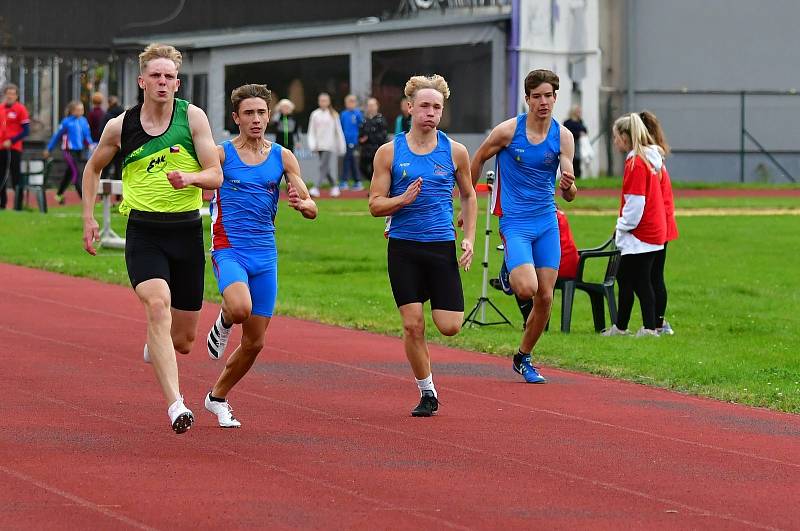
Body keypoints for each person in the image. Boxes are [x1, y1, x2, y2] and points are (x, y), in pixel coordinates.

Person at [80, 43, 223, 433]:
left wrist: (190, 178)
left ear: (178, 82)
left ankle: (156, 345)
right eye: (156, 76)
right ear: (142, 81)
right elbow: (92, 170)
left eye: (169, 76)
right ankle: (177, 405)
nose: (163, 82)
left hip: (186, 231)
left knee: (184, 340)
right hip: (144, 231)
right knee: (157, 304)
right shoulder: (120, 126)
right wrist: (89, 217)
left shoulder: (193, 118)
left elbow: (215, 174)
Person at [205, 84, 317, 428]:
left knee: (255, 343)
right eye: (249, 113)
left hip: (265, 255)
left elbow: (311, 205)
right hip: (229, 249)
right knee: (240, 308)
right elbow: (206, 179)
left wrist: (303, 204)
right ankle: (224, 320)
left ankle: (217, 398)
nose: (256, 119)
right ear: (235, 118)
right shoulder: (222, 154)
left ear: (269, 116)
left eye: (261, 113)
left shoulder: (282, 157)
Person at [369, 74, 477, 417]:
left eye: (437, 108)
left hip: (441, 246)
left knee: (450, 326)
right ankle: (427, 391)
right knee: (414, 325)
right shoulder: (389, 152)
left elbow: (469, 195)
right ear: (410, 107)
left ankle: (434, 302)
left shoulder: (455, 151)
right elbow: (374, 205)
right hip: (404, 248)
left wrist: (470, 237)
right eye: (425, 106)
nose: (430, 113)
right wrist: (402, 199)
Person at [469, 69, 577, 384]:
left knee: (545, 297)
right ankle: (511, 269)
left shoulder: (563, 136)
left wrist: (568, 184)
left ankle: (523, 357)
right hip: (515, 221)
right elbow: (478, 160)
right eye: (537, 96)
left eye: (549, 96)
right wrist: (468, 201)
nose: (543, 102)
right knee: (526, 288)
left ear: (556, 97)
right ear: (527, 99)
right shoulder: (507, 131)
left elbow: (569, 193)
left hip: (546, 221)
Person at [601, 112, 666, 337]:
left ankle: (649, 328)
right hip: (649, 231)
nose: (615, 141)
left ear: (626, 137)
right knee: (627, 278)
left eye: (616, 137)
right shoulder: (645, 160)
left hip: (641, 233)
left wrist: (622, 225)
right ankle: (621, 326)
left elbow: (635, 202)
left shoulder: (636, 163)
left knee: (640, 281)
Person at [491, 210, 579, 324]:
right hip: (571, 265)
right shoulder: (558, 215)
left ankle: (527, 318)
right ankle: (507, 276)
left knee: (523, 278)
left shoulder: (540, 217)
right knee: (529, 281)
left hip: (555, 266)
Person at [639, 110, 678, 335]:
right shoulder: (656, 158)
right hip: (663, 223)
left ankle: (656, 323)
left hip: (656, 224)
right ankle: (657, 322)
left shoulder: (649, 161)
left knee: (648, 277)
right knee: (654, 276)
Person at [45, 100, 94, 204]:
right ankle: (85, 199)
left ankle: (59, 194)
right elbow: (57, 136)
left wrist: (91, 146)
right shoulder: (66, 122)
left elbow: (87, 136)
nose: (80, 112)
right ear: (72, 111)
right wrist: (49, 148)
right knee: (76, 172)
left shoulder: (83, 121)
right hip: (68, 151)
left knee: (69, 173)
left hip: (79, 150)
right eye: (78, 110)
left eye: (82, 109)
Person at [306, 92, 345, 198]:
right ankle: (334, 186)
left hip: (329, 145)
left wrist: (341, 145)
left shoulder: (334, 114)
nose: (323, 102)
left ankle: (316, 188)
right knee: (325, 168)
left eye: (325, 100)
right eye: (321, 100)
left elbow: (339, 131)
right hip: (319, 146)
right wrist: (312, 144)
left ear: (328, 102)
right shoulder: (315, 114)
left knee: (322, 166)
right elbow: (311, 131)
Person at [0, 84, 30, 211]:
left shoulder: (21, 109)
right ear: (5, 95)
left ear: (16, 96)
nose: (10, 96)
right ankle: (2, 204)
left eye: (12, 93)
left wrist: (11, 141)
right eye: (8, 93)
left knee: (15, 175)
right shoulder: (0, 108)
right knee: (1, 175)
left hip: (14, 149)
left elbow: (26, 131)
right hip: (1, 148)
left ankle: (18, 205)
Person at [358, 97, 388, 181]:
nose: (370, 107)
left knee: (374, 169)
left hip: (376, 150)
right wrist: (361, 140)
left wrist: (369, 137)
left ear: (377, 106)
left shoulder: (381, 120)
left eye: (372, 105)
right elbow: (361, 135)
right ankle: (372, 184)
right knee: (362, 167)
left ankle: (374, 189)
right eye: (369, 105)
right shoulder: (364, 120)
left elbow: (382, 136)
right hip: (366, 150)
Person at [339, 94, 364, 191]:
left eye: (353, 101)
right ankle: (348, 181)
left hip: (355, 141)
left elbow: (362, 126)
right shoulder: (343, 114)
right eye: (349, 101)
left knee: (352, 161)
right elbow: (340, 127)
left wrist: (360, 138)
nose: (350, 104)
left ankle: (355, 181)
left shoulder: (358, 114)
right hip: (345, 141)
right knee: (347, 161)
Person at [103, 95, 125, 181]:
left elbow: (102, 129)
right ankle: (119, 193)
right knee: (119, 168)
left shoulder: (108, 115)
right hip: (121, 144)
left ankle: (102, 191)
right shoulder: (124, 114)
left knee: (106, 167)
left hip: (110, 144)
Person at [563, 104, 588, 179]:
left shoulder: (580, 121)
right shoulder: (567, 122)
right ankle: (569, 176)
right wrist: (578, 133)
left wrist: (582, 133)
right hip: (569, 143)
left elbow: (585, 130)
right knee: (571, 160)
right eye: (578, 111)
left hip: (578, 143)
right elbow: (567, 132)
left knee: (578, 160)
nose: (579, 113)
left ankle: (577, 176)